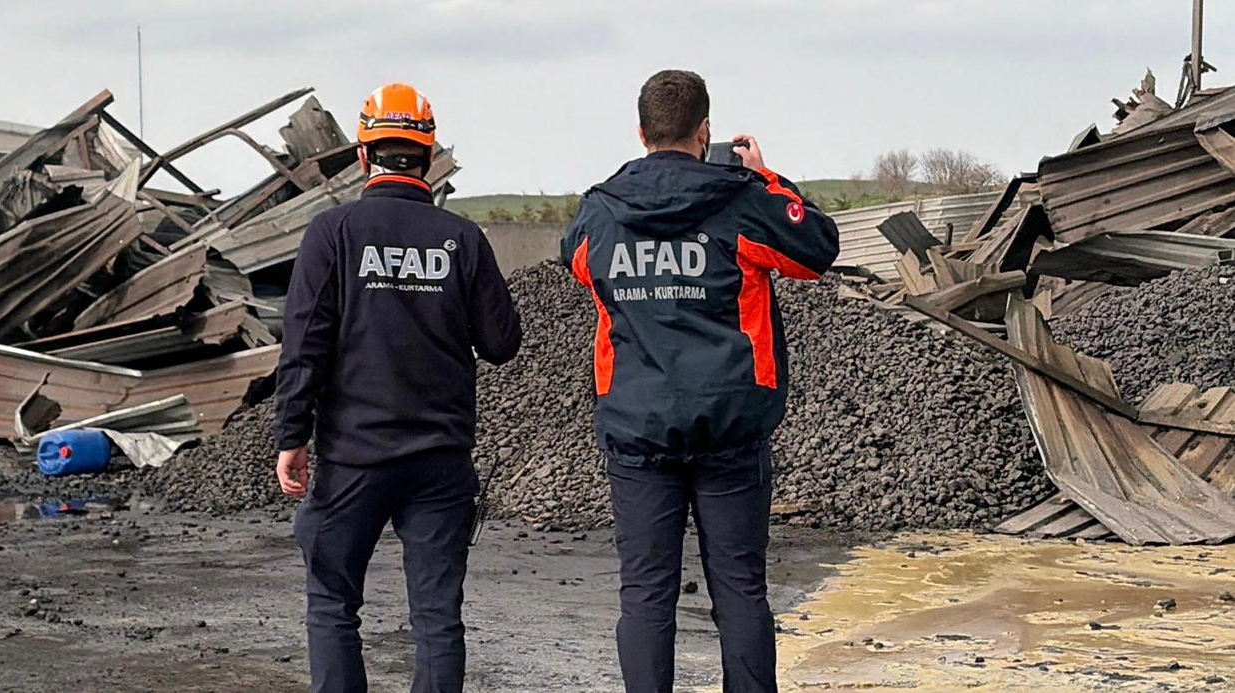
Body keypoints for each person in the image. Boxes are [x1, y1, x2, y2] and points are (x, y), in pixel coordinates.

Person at [560, 69, 839, 693]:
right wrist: (768, 178)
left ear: (641, 133)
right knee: (740, 590)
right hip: (730, 430)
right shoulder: (742, 200)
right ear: (705, 130)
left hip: (637, 428)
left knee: (645, 596)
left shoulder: (601, 210)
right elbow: (817, 248)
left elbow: (577, 264)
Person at [274, 82, 522, 693]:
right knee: (437, 619)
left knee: (333, 604)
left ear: (363, 155)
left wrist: (292, 436)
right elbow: (501, 342)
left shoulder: (332, 233)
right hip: (439, 461)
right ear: (428, 155)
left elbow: (304, 345)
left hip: (353, 458)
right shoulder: (461, 239)